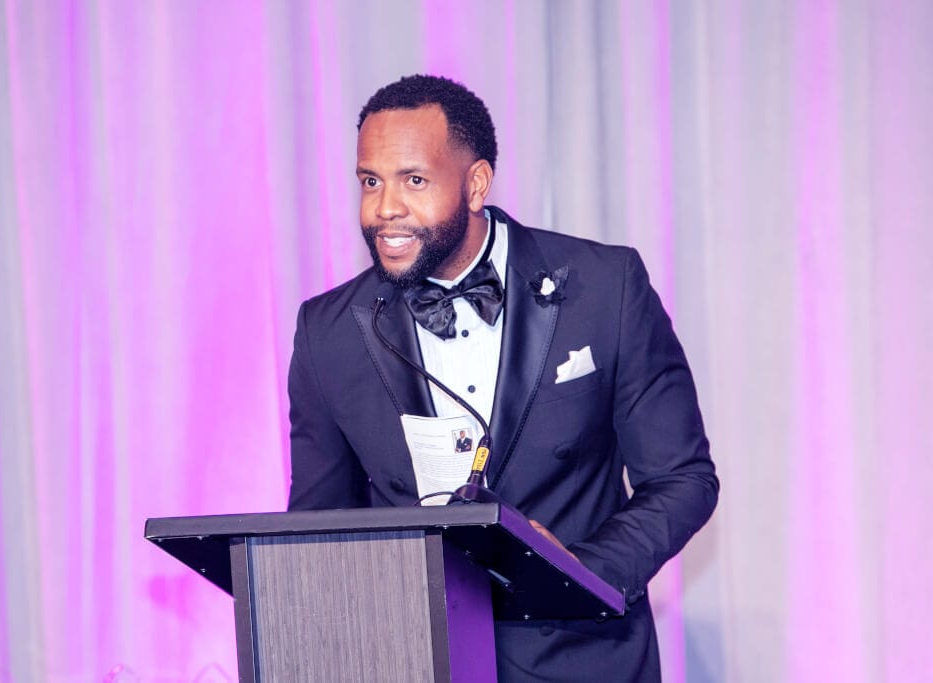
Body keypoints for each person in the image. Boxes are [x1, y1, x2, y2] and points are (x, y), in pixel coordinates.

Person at [287, 74, 719, 682]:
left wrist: (578, 572)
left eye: (413, 180)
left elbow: (682, 479)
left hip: (580, 657)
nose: (384, 208)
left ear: (475, 183)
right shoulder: (327, 330)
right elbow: (317, 527)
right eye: (370, 181)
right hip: (414, 662)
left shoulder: (605, 287)